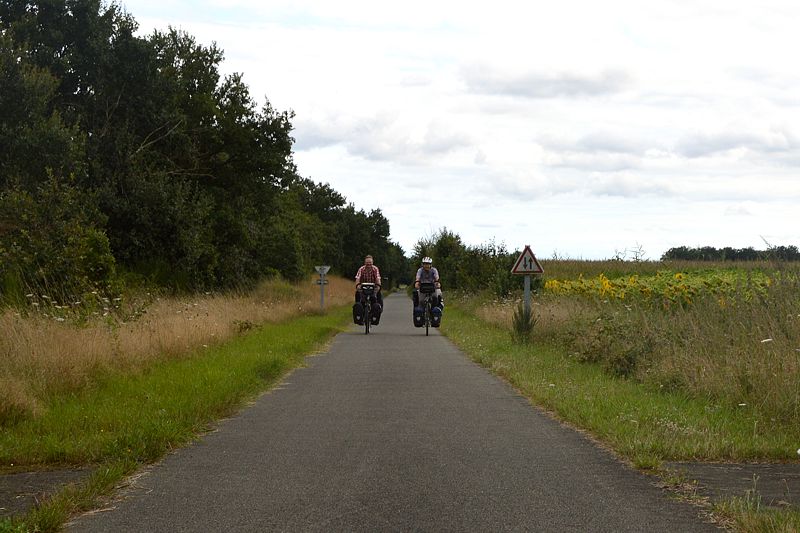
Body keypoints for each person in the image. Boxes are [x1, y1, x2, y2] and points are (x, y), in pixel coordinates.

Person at [413, 256, 443, 327]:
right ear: (422, 264)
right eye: (425, 264)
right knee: (421, 301)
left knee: (436, 296)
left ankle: (434, 311)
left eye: (428, 264)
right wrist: (417, 282)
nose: (426, 265)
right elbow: (418, 277)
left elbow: (436, 277)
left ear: (430, 264)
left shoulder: (434, 270)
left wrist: (437, 282)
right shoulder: (420, 270)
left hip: (432, 288)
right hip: (422, 288)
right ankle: (422, 316)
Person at [353, 255, 383, 325]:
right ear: (365, 263)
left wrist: (378, 286)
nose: (368, 265)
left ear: (372, 263)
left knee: (378, 297)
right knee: (358, 295)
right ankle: (359, 313)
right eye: (367, 263)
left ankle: (377, 311)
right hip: (363, 287)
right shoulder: (361, 269)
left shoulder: (375, 269)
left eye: (370, 263)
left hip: (373, 287)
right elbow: (357, 278)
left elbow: (378, 278)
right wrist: (358, 285)